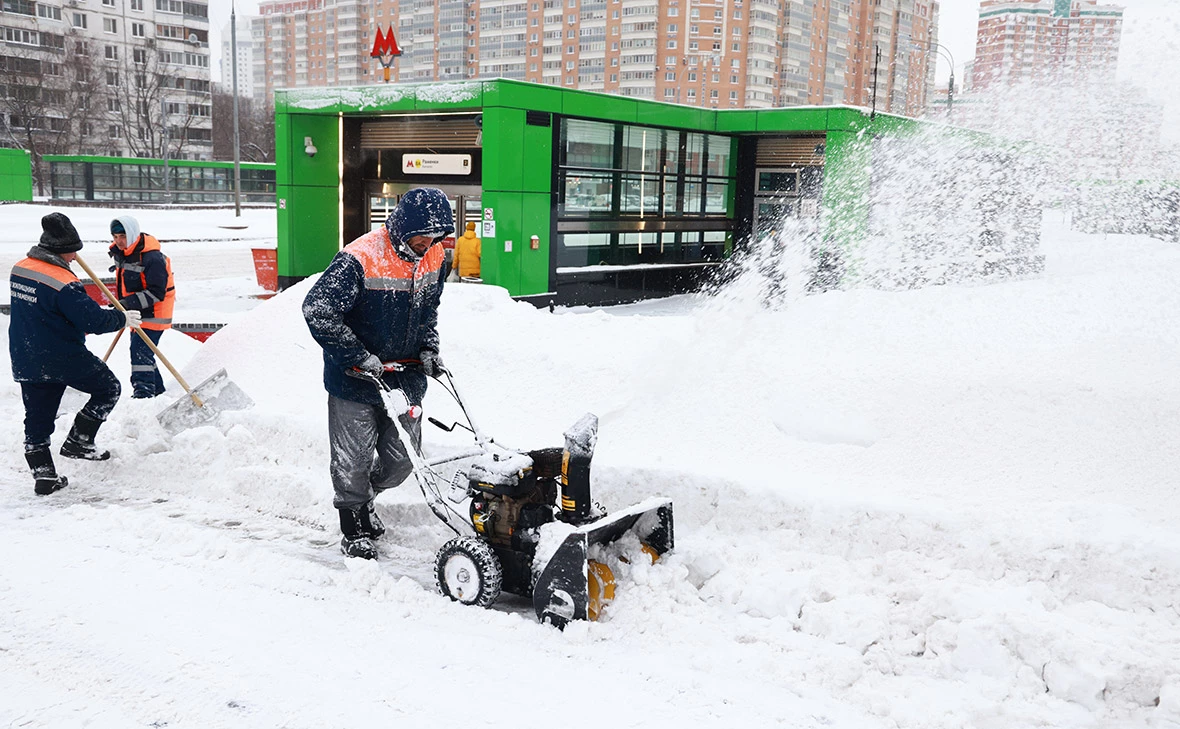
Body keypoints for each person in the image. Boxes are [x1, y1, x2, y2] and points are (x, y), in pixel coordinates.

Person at [302, 187, 454, 559]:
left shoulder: (437, 256)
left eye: (436, 236)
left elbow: (428, 310)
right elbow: (317, 309)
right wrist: (356, 355)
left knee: (402, 460)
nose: (428, 243)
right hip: (355, 380)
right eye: (422, 235)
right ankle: (353, 523)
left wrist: (429, 347)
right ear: (403, 228)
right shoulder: (359, 258)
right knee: (352, 459)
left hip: (405, 377)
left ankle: (365, 496)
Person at [9, 212, 140, 495]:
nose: (74, 258)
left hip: (25, 355)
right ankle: (79, 441)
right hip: (62, 355)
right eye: (72, 252)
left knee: (37, 418)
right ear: (61, 250)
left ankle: (43, 476)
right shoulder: (63, 282)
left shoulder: (20, 268)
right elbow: (92, 320)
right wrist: (121, 318)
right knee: (109, 388)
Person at [107, 214, 175, 398]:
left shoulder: (152, 258)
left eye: (122, 237)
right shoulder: (125, 253)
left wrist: (126, 304)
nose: (119, 241)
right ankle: (159, 393)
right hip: (137, 311)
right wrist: (122, 304)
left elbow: (157, 292)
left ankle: (143, 394)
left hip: (155, 312)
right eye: (115, 237)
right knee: (144, 353)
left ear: (132, 234)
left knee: (139, 352)